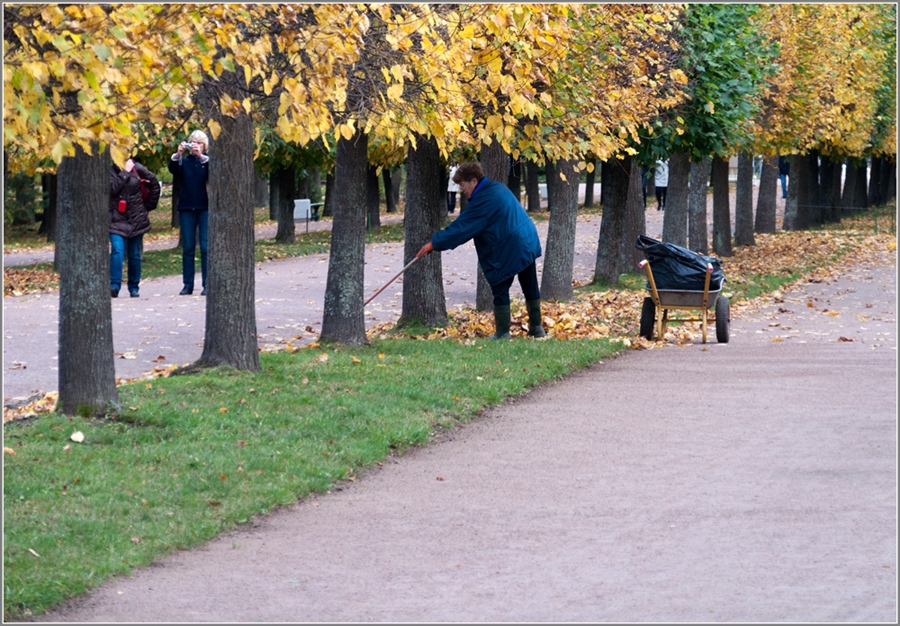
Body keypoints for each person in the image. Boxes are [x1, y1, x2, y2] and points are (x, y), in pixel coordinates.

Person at [416, 161, 545, 340]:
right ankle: (537, 328)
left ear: (474, 181)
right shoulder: (496, 188)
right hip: (527, 239)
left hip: (512, 244)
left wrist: (434, 244)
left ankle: (503, 332)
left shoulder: (484, 199)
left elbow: (461, 228)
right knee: (529, 283)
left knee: (500, 284)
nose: (462, 190)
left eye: (463, 186)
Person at [109, 158, 159, 298]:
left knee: (134, 254)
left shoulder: (138, 167)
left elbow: (154, 183)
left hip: (136, 218)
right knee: (117, 250)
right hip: (116, 219)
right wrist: (124, 172)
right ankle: (114, 285)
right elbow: (112, 189)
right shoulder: (110, 172)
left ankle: (134, 287)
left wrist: (148, 206)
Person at [169, 130, 210, 295]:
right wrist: (178, 154)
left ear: (204, 145)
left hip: (205, 207)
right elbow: (173, 170)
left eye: (198, 143)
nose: (195, 146)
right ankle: (188, 284)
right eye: (192, 142)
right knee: (188, 247)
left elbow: (212, 173)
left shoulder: (207, 161)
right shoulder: (184, 162)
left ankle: (208, 284)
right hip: (186, 207)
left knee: (206, 247)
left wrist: (201, 157)